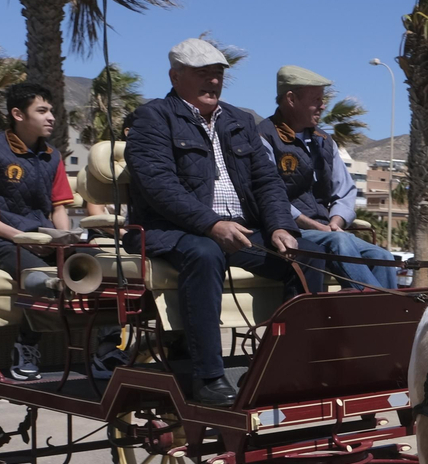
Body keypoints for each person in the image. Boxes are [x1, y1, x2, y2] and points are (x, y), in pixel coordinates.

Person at [123, 38, 317, 407]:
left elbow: (267, 182)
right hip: (170, 231)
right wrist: (211, 224)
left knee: (305, 257)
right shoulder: (151, 118)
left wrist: (280, 227)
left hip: (238, 232)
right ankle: (208, 377)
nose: (213, 82)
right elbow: (158, 186)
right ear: (175, 76)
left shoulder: (240, 120)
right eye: (203, 74)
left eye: (218, 75)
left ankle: (284, 365)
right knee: (205, 252)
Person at [0, 80, 76, 380]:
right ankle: (26, 344)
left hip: (46, 242)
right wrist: (21, 238)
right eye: (42, 110)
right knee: (42, 279)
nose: (51, 117)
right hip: (2, 245)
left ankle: (104, 347)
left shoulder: (53, 156)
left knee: (102, 269)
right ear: (18, 114)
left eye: (51, 110)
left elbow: (59, 210)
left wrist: (62, 241)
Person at [256, 66, 397, 291]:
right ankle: (382, 306)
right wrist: (318, 227)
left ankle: (382, 319)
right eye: (317, 100)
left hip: (328, 230)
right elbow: (271, 197)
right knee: (340, 241)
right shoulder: (264, 137)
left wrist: (335, 222)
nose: (323, 106)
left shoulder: (324, 141)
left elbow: (345, 191)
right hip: (289, 229)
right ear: (291, 99)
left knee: (384, 257)